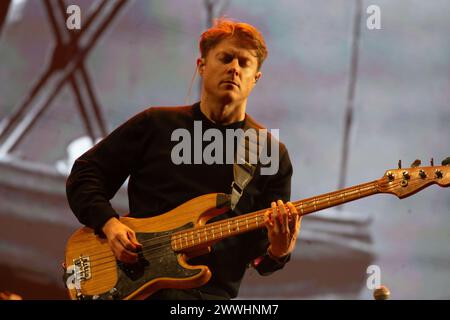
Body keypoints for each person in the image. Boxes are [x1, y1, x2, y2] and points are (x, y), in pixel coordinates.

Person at [66, 18, 302, 300]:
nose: (234, 69)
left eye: (244, 63)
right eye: (225, 58)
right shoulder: (155, 124)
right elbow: (85, 174)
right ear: (201, 65)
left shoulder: (270, 153)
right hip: (137, 289)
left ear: (256, 78)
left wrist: (279, 251)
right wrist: (109, 224)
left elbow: (261, 260)